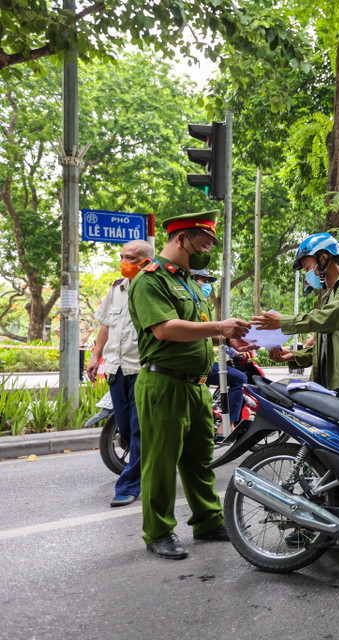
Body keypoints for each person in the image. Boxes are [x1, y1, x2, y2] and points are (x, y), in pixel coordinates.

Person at [128, 211, 250, 560]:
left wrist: (227, 341)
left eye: (212, 243)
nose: (208, 248)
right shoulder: (150, 280)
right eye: (205, 242)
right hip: (163, 383)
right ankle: (159, 531)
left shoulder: (188, 281)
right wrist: (218, 327)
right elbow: (165, 329)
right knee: (161, 461)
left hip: (196, 386)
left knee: (199, 459)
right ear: (181, 239)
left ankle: (207, 520)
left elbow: (195, 333)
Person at [251, 232, 339, 407]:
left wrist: (284, 321)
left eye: (307, 268)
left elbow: (331, 320)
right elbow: (329, 347)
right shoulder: (332, 294)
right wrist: (293, 356)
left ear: (323, 259)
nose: (308, 275)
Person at [85, 239, 154, 507]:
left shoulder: (154, 288)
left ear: (146, 262)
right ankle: (146, 467)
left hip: (142, 368)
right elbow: (105, 326)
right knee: (124, 429)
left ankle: (128, 486)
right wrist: (95, 356)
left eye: (132, 257)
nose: (125, 262)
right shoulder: (116, 289)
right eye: (123, 256)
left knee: (138, 431)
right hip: (116, 368)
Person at [193, 269, 247, 432]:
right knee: (239, 378)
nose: (206, 285)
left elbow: (208, 337)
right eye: (203, 280)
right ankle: (227, 423)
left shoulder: (200, 304)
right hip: (195, 364)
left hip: (203, 361)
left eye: (208, 282)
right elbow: (199, 334)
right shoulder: (190, 304)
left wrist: (232, 343)